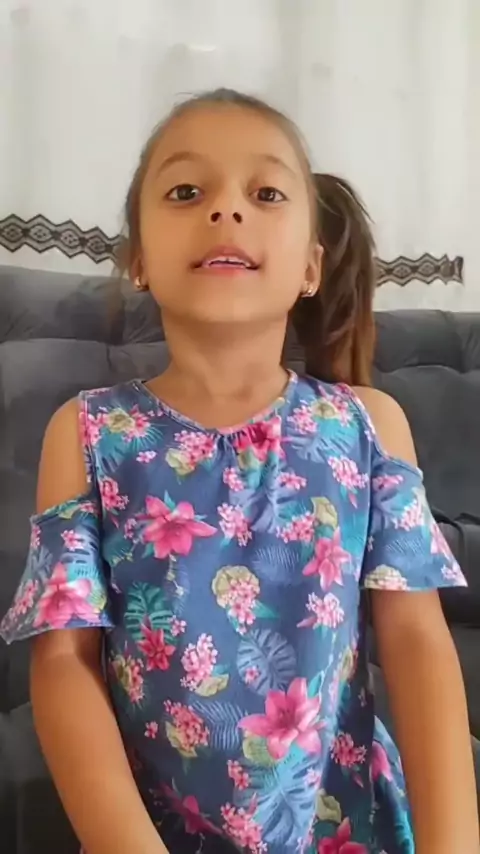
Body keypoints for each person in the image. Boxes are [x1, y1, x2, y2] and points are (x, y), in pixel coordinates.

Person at [0, 89, 478, 854]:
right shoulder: (88, 433)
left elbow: (417, 640)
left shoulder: (368, 426)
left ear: (312, 266)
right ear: (138, 260)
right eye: (186, 191)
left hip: (351, 833)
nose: (226, 209)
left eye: (266, 193)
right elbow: (62, 665)